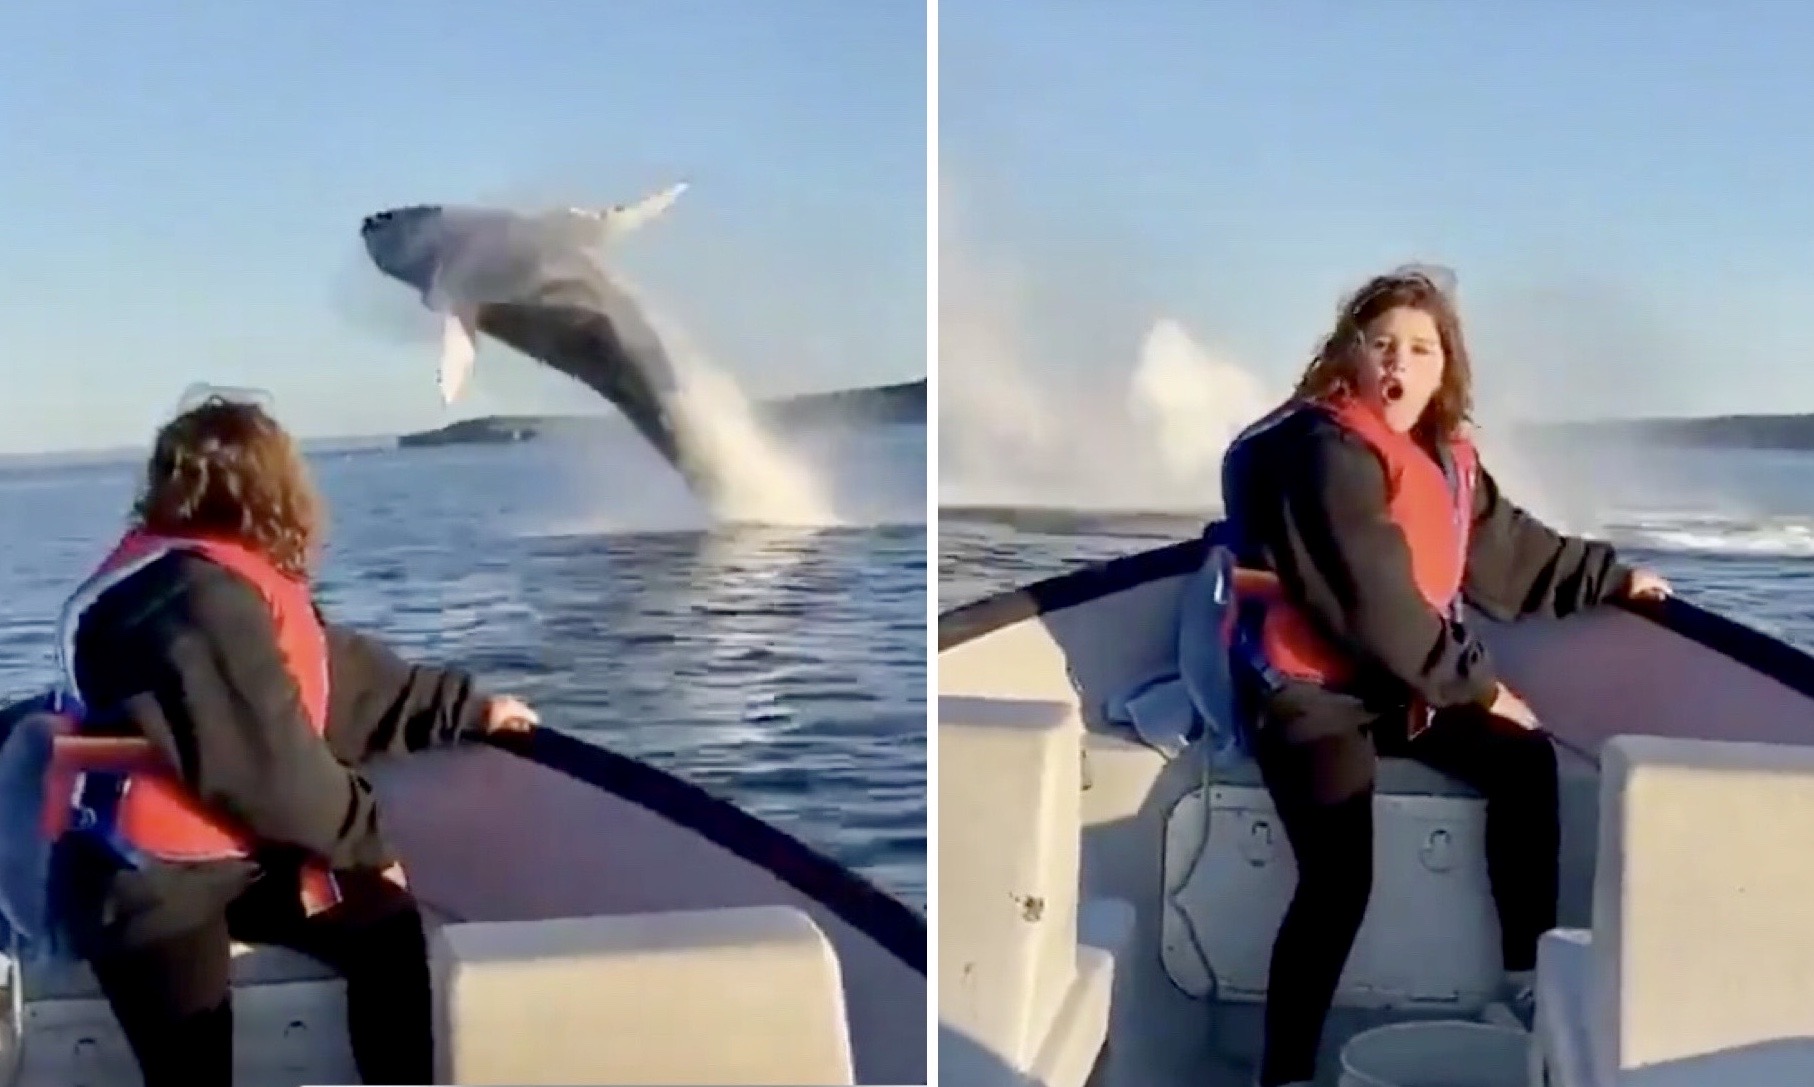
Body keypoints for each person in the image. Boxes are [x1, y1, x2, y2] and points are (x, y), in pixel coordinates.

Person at [1217, 267, 1672, 1087]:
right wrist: (1482, 687)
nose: (1399, 361)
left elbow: (1513, 552)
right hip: (1311, 693)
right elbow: (1374, 602)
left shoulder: (1448, 459)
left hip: (1398, 684)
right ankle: (1284, 1073)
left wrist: (1610, 578)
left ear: (1442, 368)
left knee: (1526, 763)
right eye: (1382, 343)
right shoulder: (1325, 452)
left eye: (1420, 348)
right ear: (1350, 355)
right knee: (1339, 873)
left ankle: (1525, 982)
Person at [44, 392, 541, 1087]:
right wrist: (373, 845)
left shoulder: (218, 577)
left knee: (385, 930)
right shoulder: (188, 600)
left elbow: (340, 678)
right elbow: (269, 772)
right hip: (145, 881)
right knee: (191, 1063)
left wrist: (467, 708)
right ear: (273, 486)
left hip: (243, 860)